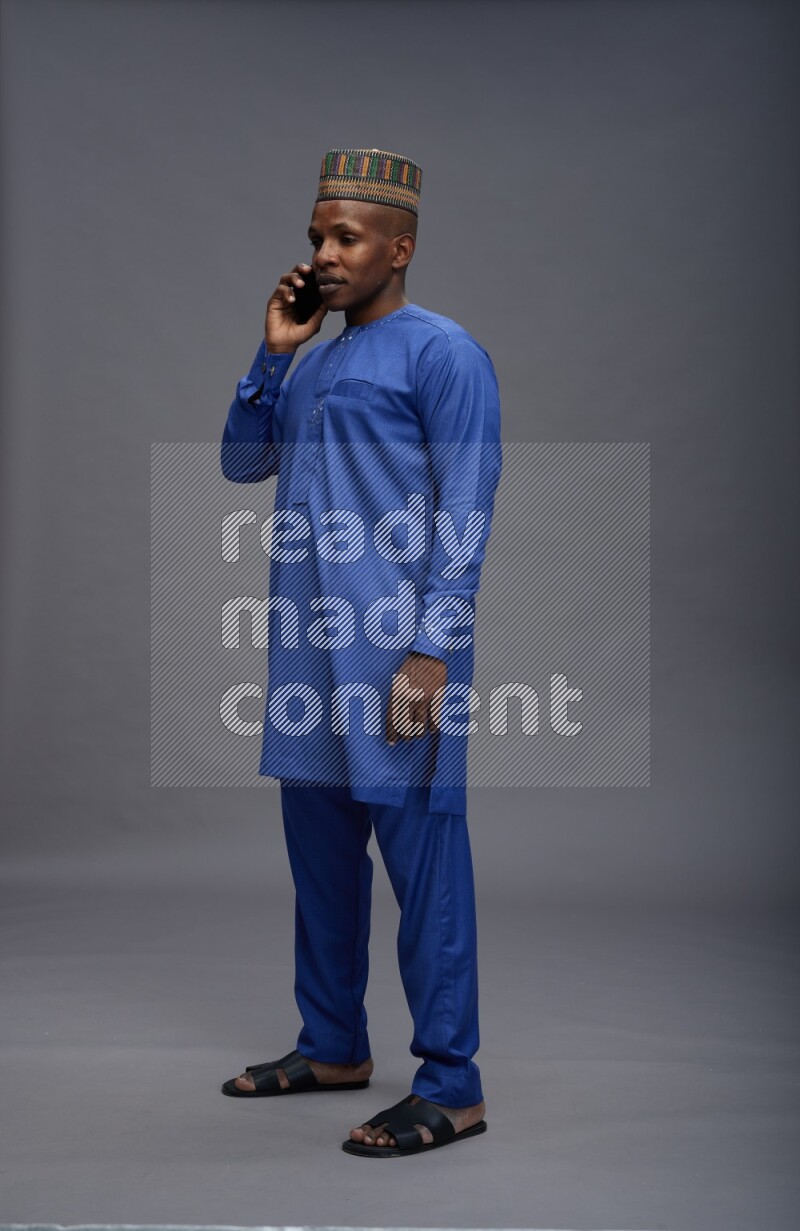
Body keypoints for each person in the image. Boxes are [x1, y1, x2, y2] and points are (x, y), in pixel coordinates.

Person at [219, 148, 502, 1157]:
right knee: (321, 857)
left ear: (400, 246)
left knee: (422, 863)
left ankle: (452, 1083)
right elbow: (241, 460)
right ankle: (333, 1041)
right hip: (306, 650)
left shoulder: (443, 354)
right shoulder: (313, 357)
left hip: (395, 653)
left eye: (344, 237)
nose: (324, 255)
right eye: (315, 237)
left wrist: (432, 650)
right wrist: (272, 356)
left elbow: (466, 512)